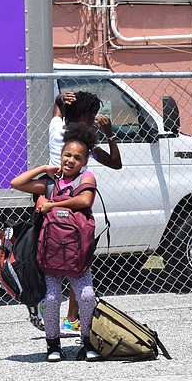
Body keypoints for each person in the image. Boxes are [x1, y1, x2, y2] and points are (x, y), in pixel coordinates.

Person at [28, 90, 122, 335]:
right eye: (93, 115)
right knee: (76, 261)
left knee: (46, 257)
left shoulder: (56, 129)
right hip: (73, 207)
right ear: (85, 117)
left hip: (48, 201)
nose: (95, 119)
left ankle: (45, 302)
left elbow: (57, 109)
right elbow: (115, 162)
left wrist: (60, 98)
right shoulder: (86, 145)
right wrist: (110, 133)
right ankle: (70, 318)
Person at [11, 123, 101, 362]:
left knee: (86, 296)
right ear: (61, 156)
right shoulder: (52, 183)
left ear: (84, 162)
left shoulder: (86, 178)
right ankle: (53, 344)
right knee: (51, 299)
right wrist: (43, 168)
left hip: (76, 253)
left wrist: (52, 206)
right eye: (67, 155)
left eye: (77, 157)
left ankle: (87, 341)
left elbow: (84, 200)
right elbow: (16, 183)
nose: (71, 160)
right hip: (50, 254)